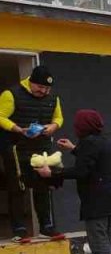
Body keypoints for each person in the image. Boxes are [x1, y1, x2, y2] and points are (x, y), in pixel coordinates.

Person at [34, 110, 111, 254]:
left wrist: (52, 174)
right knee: (105, 238)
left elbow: (82, 170)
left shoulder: (90, 143)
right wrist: (74, 148)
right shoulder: (102, 141)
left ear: (83, 126)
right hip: (107, 197)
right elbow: (93, 160)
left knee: (98, 240)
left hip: (96, 199)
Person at [1, 65, 64, 239]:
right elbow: (1, 116)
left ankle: (47, 227)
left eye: (47, 88)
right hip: (17, 148)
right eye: (40, 87)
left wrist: (53, 127)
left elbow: (58, 118)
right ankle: (19, 230)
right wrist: (18, 129)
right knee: (18, 188)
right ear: (30, 82)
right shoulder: (11, 94)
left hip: (42, 148)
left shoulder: (53, 98)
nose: (43, 91)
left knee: (44, 185)